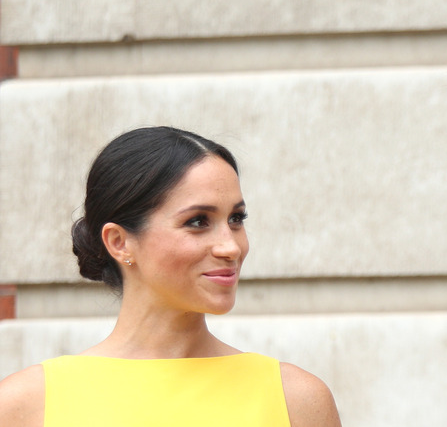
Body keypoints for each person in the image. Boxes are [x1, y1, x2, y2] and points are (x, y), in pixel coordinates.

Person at [0, 126, 342, 427]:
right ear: (119, 242)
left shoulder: (298, 401)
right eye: (198, 221)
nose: (231, 247)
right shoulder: (25, 406)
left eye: (236, 219)